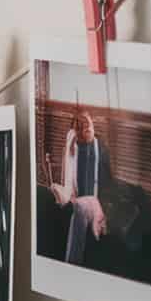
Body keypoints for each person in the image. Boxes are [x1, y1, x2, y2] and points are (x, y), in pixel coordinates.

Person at [50, 112, 109, 266]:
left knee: (81, 208)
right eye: (81, 127)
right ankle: (72, 264)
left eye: (88, 123)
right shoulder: (74, 149)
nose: (86, 127)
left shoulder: (100, 147)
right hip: (80, 200)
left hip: (97, 201)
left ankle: (71, 264)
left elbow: (106, 180)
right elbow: (69, 184)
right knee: (79, 207)